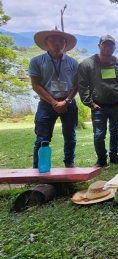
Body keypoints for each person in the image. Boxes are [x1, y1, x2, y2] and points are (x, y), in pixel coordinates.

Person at [29, 30, 79, 168]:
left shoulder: (73, 63)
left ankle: (69, 164)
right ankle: (38, 168)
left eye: (60, 41)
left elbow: (76, 85)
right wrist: (53, 102)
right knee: (42, 138)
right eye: (53, 40)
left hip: (68, 103)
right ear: (46, 43)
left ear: (65, 43)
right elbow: (36, 85)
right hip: (46, 104)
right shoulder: (37, 61)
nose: (57, 44)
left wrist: (67, 101)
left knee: (70, 136)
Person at [78, 35, 118, 167]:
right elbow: (82, 86)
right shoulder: (87, 64)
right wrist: (90, 103)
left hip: (117, 105)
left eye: (111, 45)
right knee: (99, 134)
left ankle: (114, 155)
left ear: (114, 47)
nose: (108, 47)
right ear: (99, 45)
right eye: (105, 44)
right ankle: (101, 159)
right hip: (98, 106)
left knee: (115, 131)